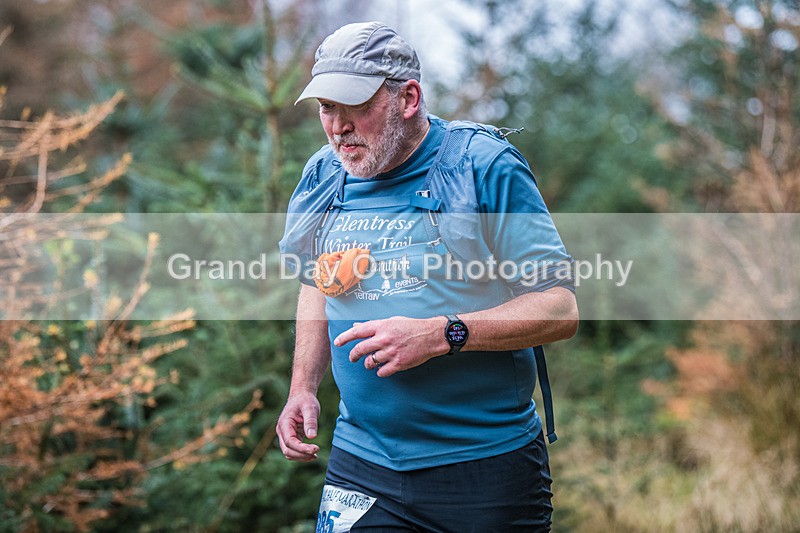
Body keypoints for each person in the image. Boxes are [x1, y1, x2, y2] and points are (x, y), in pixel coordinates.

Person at [277, 21, 578, 532]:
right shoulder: (324, 175)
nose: (338, 127)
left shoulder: (481, 166)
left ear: (408, 98)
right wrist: (303, 385)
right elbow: (316, 282)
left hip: (485, 470)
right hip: (362, 464)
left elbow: (560, 308)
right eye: (328, 107)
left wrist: (442, 333)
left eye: (357, 107)